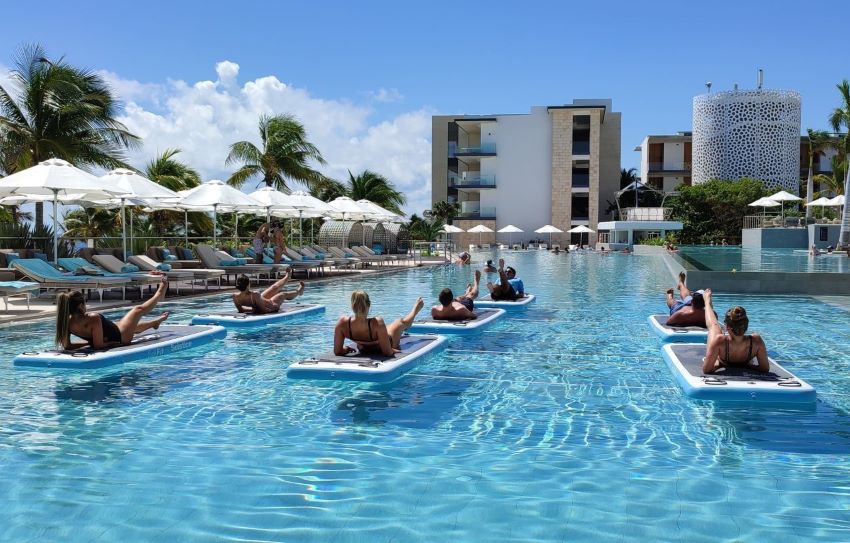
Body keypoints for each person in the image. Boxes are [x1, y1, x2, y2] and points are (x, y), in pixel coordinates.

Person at [55, 279, 170, 350]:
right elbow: (99, 346)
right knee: (137, 310)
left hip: (114, 329)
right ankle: (159, 292)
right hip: (121, 336)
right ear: (80, 306)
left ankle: (155, 323)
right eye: (85, 303)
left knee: (125, 324)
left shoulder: (66, 322)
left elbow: (67, 346)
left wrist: (89, 342)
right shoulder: (93, 318)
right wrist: (107, 343)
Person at [334, 290, 424, 356]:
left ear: (352, 306)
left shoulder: (342, 323)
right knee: (400, 322)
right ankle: (415, 309)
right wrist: (394, 350)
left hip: (364, 348)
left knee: (387, 328)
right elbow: (387, 352)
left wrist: (346, 349)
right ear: (369, 305)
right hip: (388, 342)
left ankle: (415, 310)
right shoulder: (377, 323)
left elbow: (337, 351)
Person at [702, 289, 769, 373]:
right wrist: (748, 366)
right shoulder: (756, 340)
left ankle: (707, 302)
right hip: (746, 359)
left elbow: (706, 370)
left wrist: (717, 364)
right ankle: (708, 304)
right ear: (746, 324)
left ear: (727, 327)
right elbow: (765, 369)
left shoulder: (720, 341)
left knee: (714, 326)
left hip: (724, 357)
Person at [232, 270, 304, 314]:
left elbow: (241, 310)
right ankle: (299, 292)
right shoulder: (255, 294)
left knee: (273, 288)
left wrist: (253, 309)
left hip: (259, 301)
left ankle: (287, 277)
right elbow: (264, 311)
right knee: (282, 294)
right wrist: (274, 308)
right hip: (271, 304)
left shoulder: (235, 296)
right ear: (248, 285)